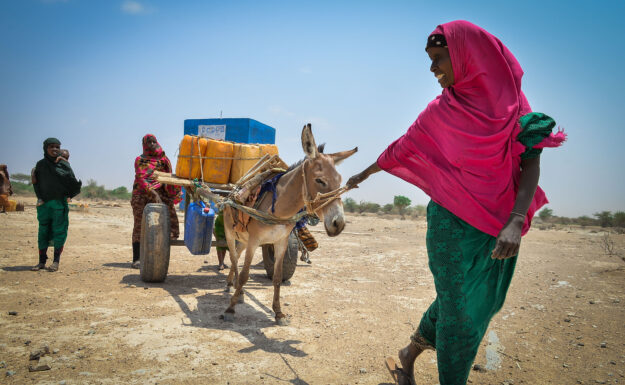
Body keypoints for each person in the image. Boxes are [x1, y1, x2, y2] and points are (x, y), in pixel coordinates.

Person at [347, 20, 565, 385]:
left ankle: (409, 352)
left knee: (480, 305)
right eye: (429, 60)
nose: (432, 69)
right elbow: (403, 146)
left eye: (438, 58)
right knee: (460, 316)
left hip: (498, 226)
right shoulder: (440, 111)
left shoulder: (517, 113)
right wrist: (364, 174)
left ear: (466, 57)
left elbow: (531, 166)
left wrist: (514, 221)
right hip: (449, 226)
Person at [131, 134, 182, 269]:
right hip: (141, 194)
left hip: (160, 192)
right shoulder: (139, 160)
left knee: (168, 214)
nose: (152, 144)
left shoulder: (164, 160)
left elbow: (170, 176)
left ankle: (162, 249)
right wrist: (153, 194)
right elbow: (142, 179)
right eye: (150, 142)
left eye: (154, 141)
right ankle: (136, 258)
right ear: (144, 145)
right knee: (139, 224)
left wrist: (175, 192)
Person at [32, 138, 82, 272]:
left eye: (57, 147)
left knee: (59, 232)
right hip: (44, 205)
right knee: (43, 232)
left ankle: (56, 262)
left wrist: (68, 196)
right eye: (51, 147)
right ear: (45, 148)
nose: (54, 149)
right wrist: (40, 198)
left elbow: (72, 182)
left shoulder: (64, 165)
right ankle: (41, 261)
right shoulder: (40, 165)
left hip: (59, 204)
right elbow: (35, 182)